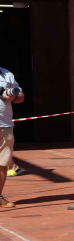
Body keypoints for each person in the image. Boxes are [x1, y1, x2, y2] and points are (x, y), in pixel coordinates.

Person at [0, 67, 25, 209]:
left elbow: (21, 96)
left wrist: (14, 97)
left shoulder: (7, 74)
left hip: (5, 126)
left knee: (2, 163)